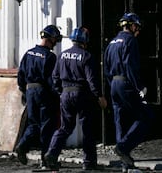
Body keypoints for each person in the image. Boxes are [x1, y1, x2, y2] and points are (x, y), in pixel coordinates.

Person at [44, 27, 107, 171]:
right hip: (82, 94)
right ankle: (89, 162)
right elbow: (92, 80)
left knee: (65, 127)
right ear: (85, 41)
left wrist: (61, 91)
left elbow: (54, 77)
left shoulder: (61, 55)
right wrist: (99, 96)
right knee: (87, 129)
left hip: (66, 94)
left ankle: (52, 153)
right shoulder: (87, 56)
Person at [103, 12, 154, 172]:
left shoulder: (111, 43)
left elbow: (106, 68)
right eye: (137, 27)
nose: (138, 31)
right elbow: (130, 65)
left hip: (114, 85)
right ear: (131, 25)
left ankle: (126, 164)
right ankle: (123, 148)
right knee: (145, 117)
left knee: (120, 121)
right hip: (125, 82)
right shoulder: (130, 40)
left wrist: (113, 85)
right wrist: (140, 87)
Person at [15, 25, 63, 168]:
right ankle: (46, 160)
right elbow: (52, 80)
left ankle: (22, 145)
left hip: (30, 91)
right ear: (50, 38)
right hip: (44, 93)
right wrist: (58, 95)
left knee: (33, 123)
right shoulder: (50, 56)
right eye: (55, 39)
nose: (55, 43)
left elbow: (21, 75)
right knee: (48, 126)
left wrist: (24, 91)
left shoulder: (28, 53)